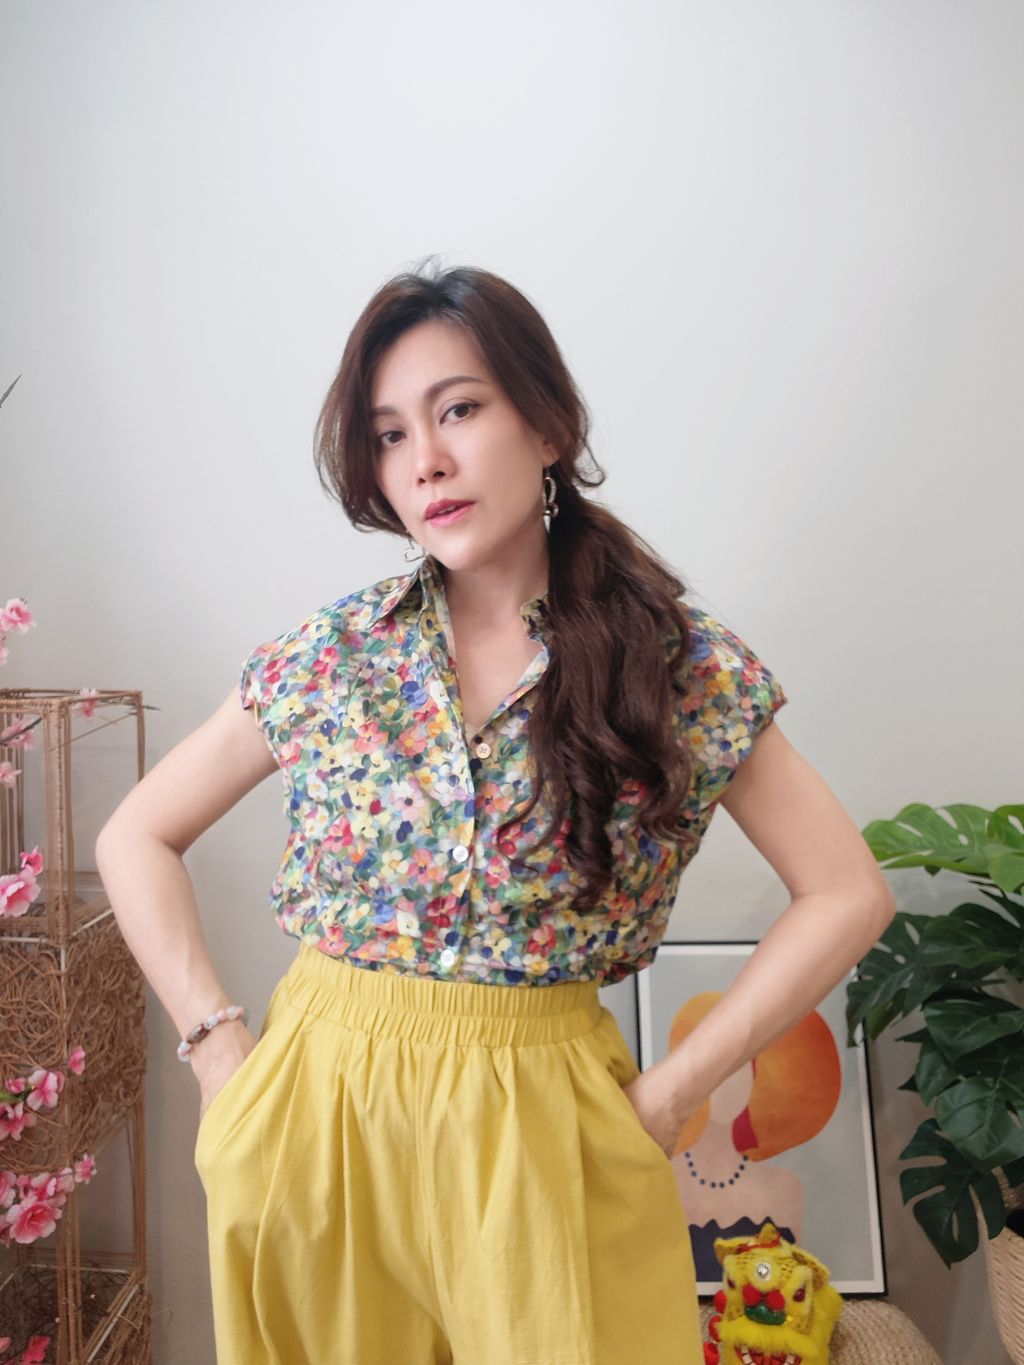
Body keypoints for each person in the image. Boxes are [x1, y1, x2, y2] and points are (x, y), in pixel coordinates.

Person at [95, 258, 896, 1365]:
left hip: (549, 1128)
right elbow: (135, 833)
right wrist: (216, 1051)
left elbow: (847, 891)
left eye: (458, 410)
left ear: (548, 424)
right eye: (388, 435)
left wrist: (678, 1089)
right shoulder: (334, 655)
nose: (424, 459)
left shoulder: (675, 665)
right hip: (319, 1119)